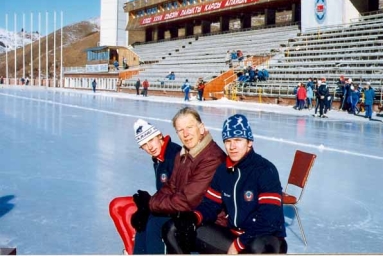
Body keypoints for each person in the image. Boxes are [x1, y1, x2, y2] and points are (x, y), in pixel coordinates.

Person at [164, 114, 287, 254]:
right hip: (234, 236)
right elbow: (210, 205)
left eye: (238, 140)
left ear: (249, 142)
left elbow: (268, 221)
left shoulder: (265, 170)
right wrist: (193, 218)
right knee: (175, 229)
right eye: (228, 141)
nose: (232, 146)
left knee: (257, 247)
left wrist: (238, 245)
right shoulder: (223, 171)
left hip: (266, 240)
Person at [133, 107, 226, 254]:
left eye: (189, 127)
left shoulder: (212, 157)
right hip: (187, 213)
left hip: (208, 220)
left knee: (157, 224)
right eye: (180, 130)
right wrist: (148, 208)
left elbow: (188, 200)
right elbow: (170, 187)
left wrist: (150, 204)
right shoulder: (184, 155)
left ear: (201, 128)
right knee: (147, 220)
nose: (186, 134)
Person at [109, 119, 182, 255]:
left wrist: (151, 204)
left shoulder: (173, 155)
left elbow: (179, 192)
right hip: (168, 205)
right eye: (144, 145)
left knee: (153, 224)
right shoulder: (159, 159)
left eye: (151, 140)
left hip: (182, 209)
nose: (149, 147)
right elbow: (165, 190)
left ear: (159, 135)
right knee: (142, 223)